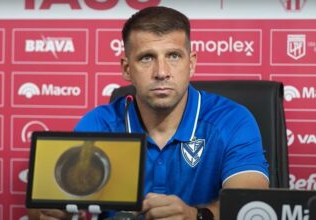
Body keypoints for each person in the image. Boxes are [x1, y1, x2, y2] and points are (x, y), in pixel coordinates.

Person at [28, 6, 269, 220]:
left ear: (192, 63)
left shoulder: (233, 120)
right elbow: (40, 208)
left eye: (173, 56)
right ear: (126, 68)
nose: (161, 72)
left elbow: (249, 206)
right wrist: (51, 214)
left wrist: (195, 216)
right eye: (146, 58)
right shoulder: (99, 124)